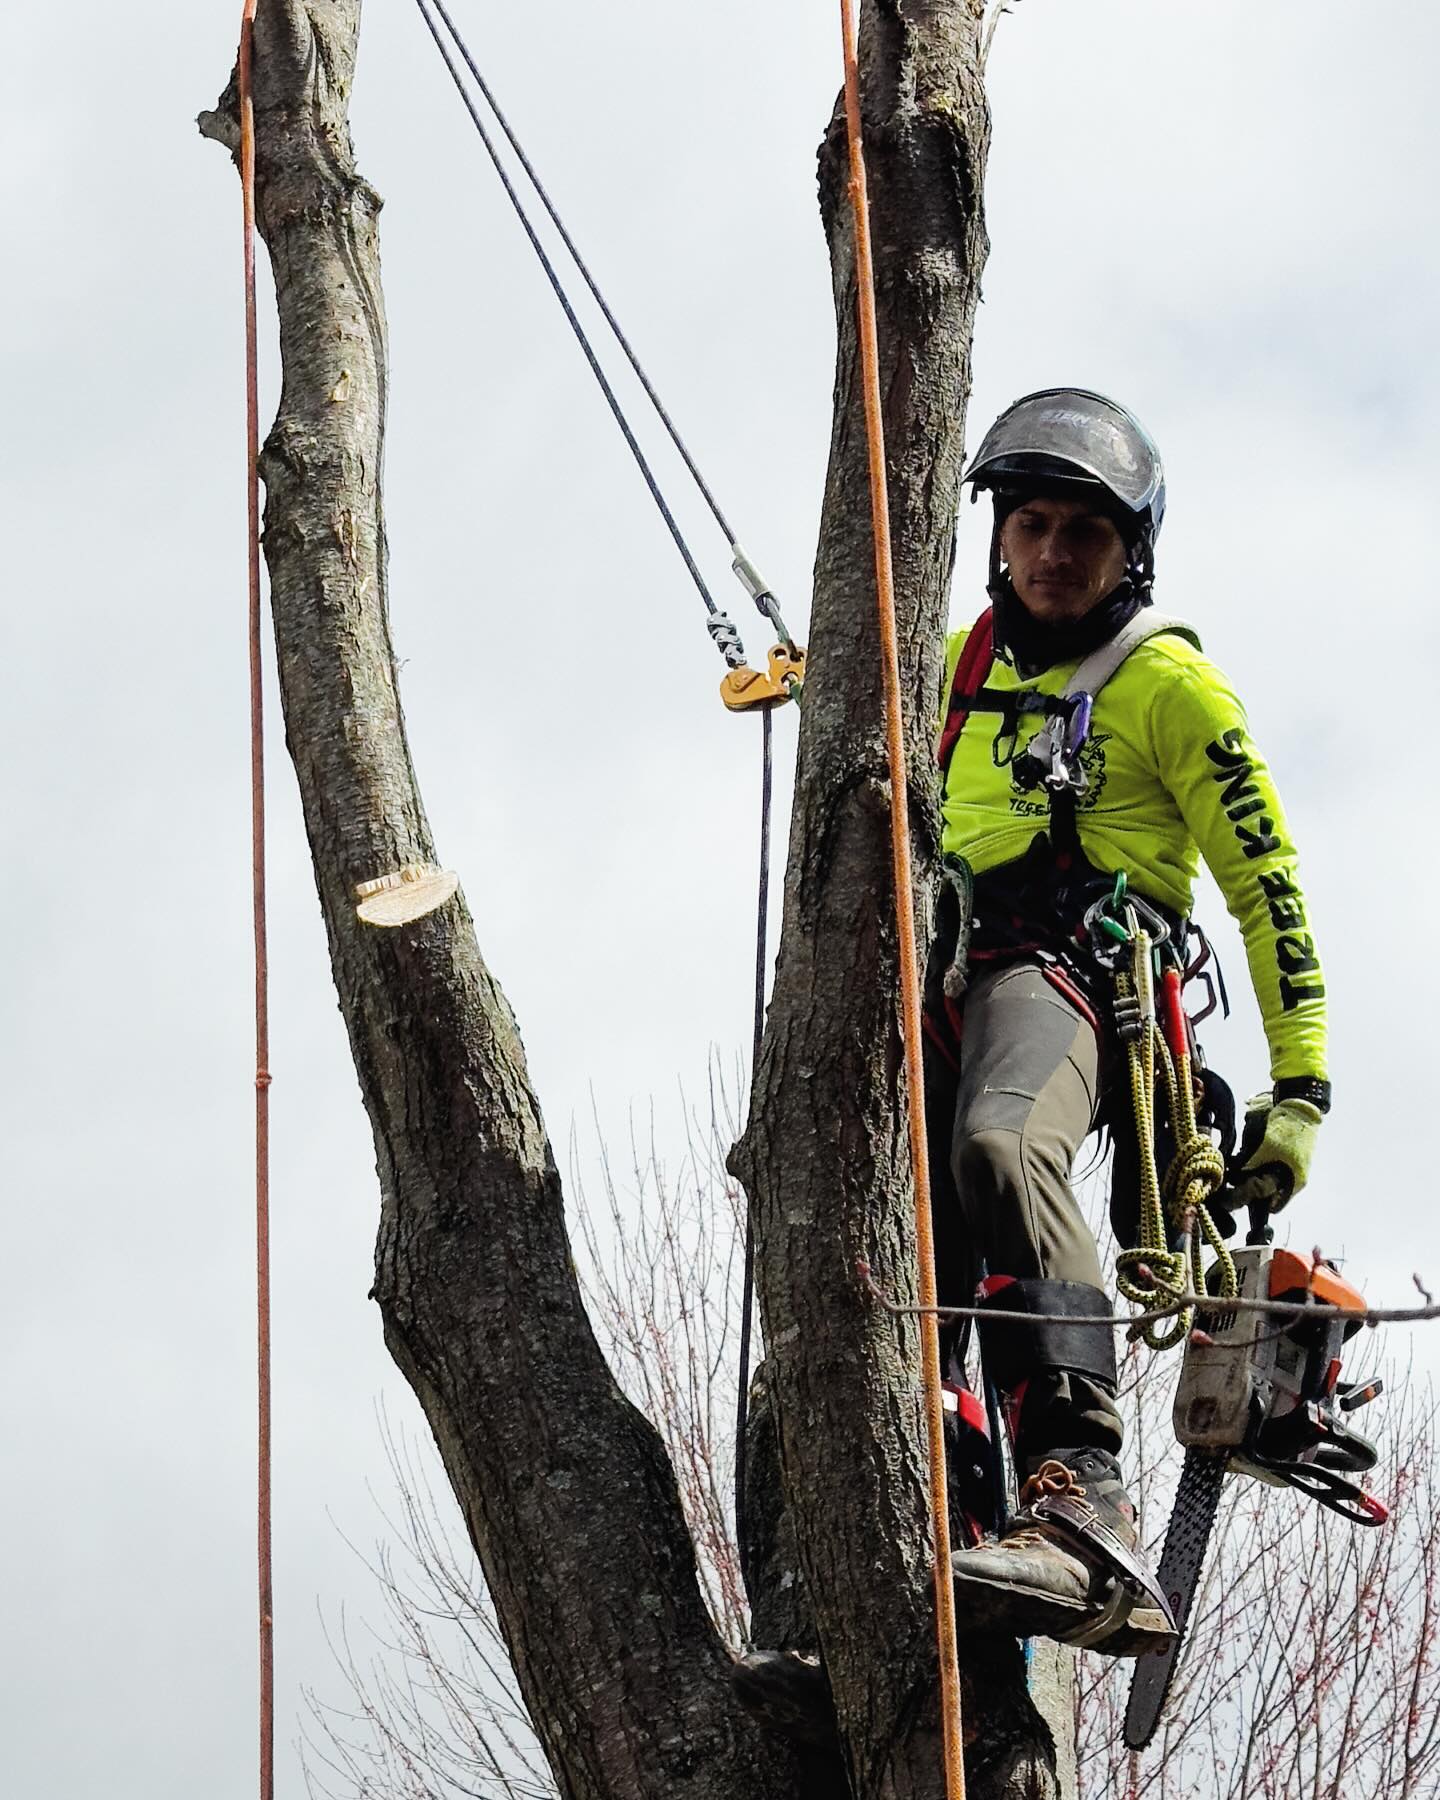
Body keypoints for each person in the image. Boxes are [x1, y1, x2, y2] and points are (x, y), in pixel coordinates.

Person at [930, 388, 1330, 1652]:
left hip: (1071, 978)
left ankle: (1080, 1485)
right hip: (934, 986)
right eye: (1031, 524)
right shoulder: (955, 668)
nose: (1051, 554)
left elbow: (1270, 892)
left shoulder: (1169, 685)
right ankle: (925, 1561)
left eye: (1083, 535)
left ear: (1131, 553)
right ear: (998, 533)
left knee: (1003, 1146)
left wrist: (1300, 1090)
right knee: (898, 1259)